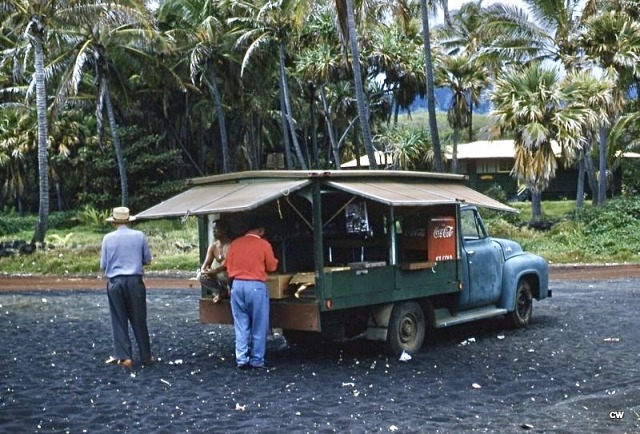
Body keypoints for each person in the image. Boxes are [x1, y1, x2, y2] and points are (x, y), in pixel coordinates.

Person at [100, 207, 154, 369]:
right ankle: (146, 356)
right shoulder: (139, 236)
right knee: (139, 319)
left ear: (114, 222)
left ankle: (125, 357)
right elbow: (147, 259)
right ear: (129, 221)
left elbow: (103, 264)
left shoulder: (107, 238)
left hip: (115, 282)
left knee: (118, 319)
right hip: (135, 281)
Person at [224, 218, 278, 370]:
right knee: (259, 325)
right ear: (260, 230)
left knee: (241, 324)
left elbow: (227, 266)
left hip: (237, 285)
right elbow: (272, 267)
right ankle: (257, 359)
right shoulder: (263, 244)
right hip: (255, 286)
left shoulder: (235, 243)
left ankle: (241, 359)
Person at [199, 220, 232, 303]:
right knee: (200, 276)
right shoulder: (213, 246)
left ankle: (229, 291)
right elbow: (206, 263)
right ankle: (220, 291)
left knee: (222, 274)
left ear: (224, 230)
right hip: (219, 274)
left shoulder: (231, 244)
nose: (213, 231)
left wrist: (215, 271)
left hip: (230, 275)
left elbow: (227, 263)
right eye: (213, 229)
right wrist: (204, 271)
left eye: (216, 229)